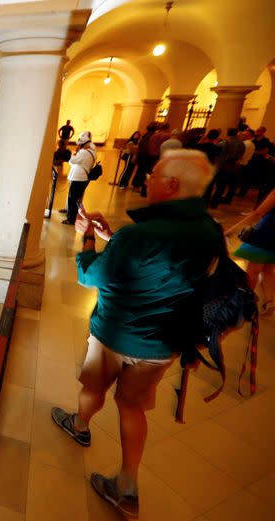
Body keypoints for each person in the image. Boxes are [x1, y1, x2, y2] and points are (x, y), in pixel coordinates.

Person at [51, 149, 221, 519]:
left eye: (155, 174)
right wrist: (115, 239)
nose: (147, 178)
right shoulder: (209, 230)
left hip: (115, 333)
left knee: (94, 386)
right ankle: (127, 485)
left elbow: (89, 276)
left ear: (172, 185)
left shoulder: (140, 235)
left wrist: (90, 240)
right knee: (131, 405)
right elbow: (165, 267)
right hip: (162, 343)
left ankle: (79, 425)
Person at [224, 188, 275, 316]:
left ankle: (244, 304)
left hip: (266, 235)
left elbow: (258, 213)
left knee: (253, 271)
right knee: (268, 269)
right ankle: (269, 302)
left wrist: (231, 231)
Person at [62, 131, 96, 225]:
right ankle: (71, 214)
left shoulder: (84, 152)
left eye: (80, 144)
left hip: (78, 178)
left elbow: (72, 160)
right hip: (81, 178)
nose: (79, 145)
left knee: (72, 199)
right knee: (75, 198)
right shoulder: (92, 151)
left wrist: (75, 153)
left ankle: (71, 219)